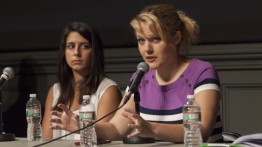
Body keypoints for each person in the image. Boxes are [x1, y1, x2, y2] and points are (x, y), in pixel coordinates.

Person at [50, 4, 223, 143]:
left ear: (176, 38)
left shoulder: (201, 72)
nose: (147, 49)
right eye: (141, 41)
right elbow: (116, 128)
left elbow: (201, 130)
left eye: (155, 39)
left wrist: (152, 129)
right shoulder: (141, 78)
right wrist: (82, 126)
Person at [42, 22, 122, 140]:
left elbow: (107, 140)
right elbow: (46, 139)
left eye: (84, 46)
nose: (76, 53)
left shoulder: (108, 90)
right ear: (64, 52)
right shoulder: (55, 90)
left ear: (95, 51)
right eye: (70, 46)